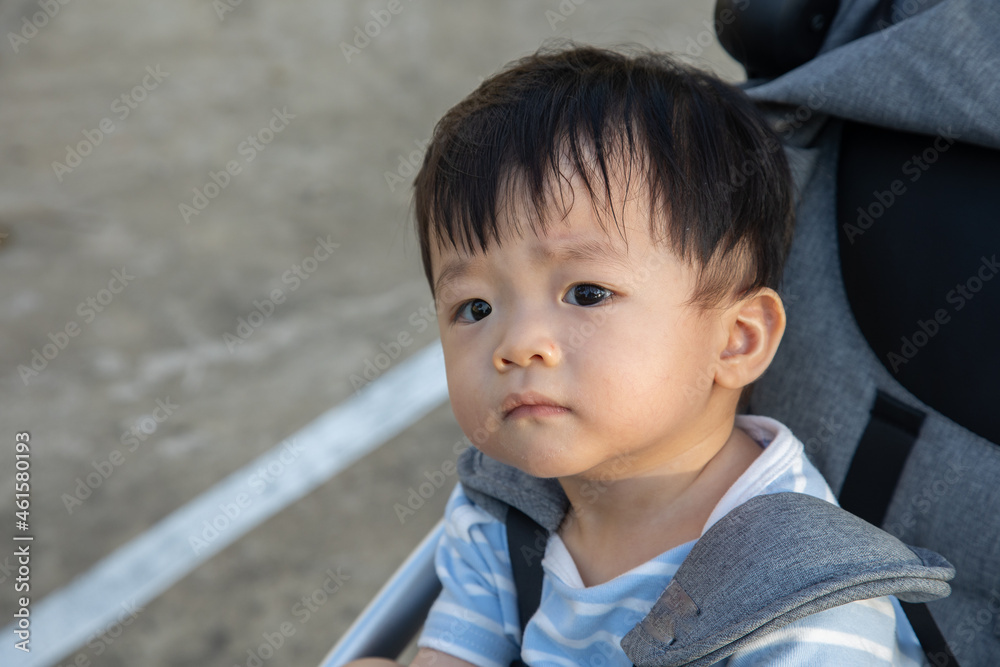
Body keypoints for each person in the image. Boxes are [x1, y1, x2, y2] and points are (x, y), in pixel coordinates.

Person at [347, 44, 946, 667]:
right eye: (474, 307)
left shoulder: (799, 600)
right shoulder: (507, 502)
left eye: (586, 293)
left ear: (736, 338)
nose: (516, 344)